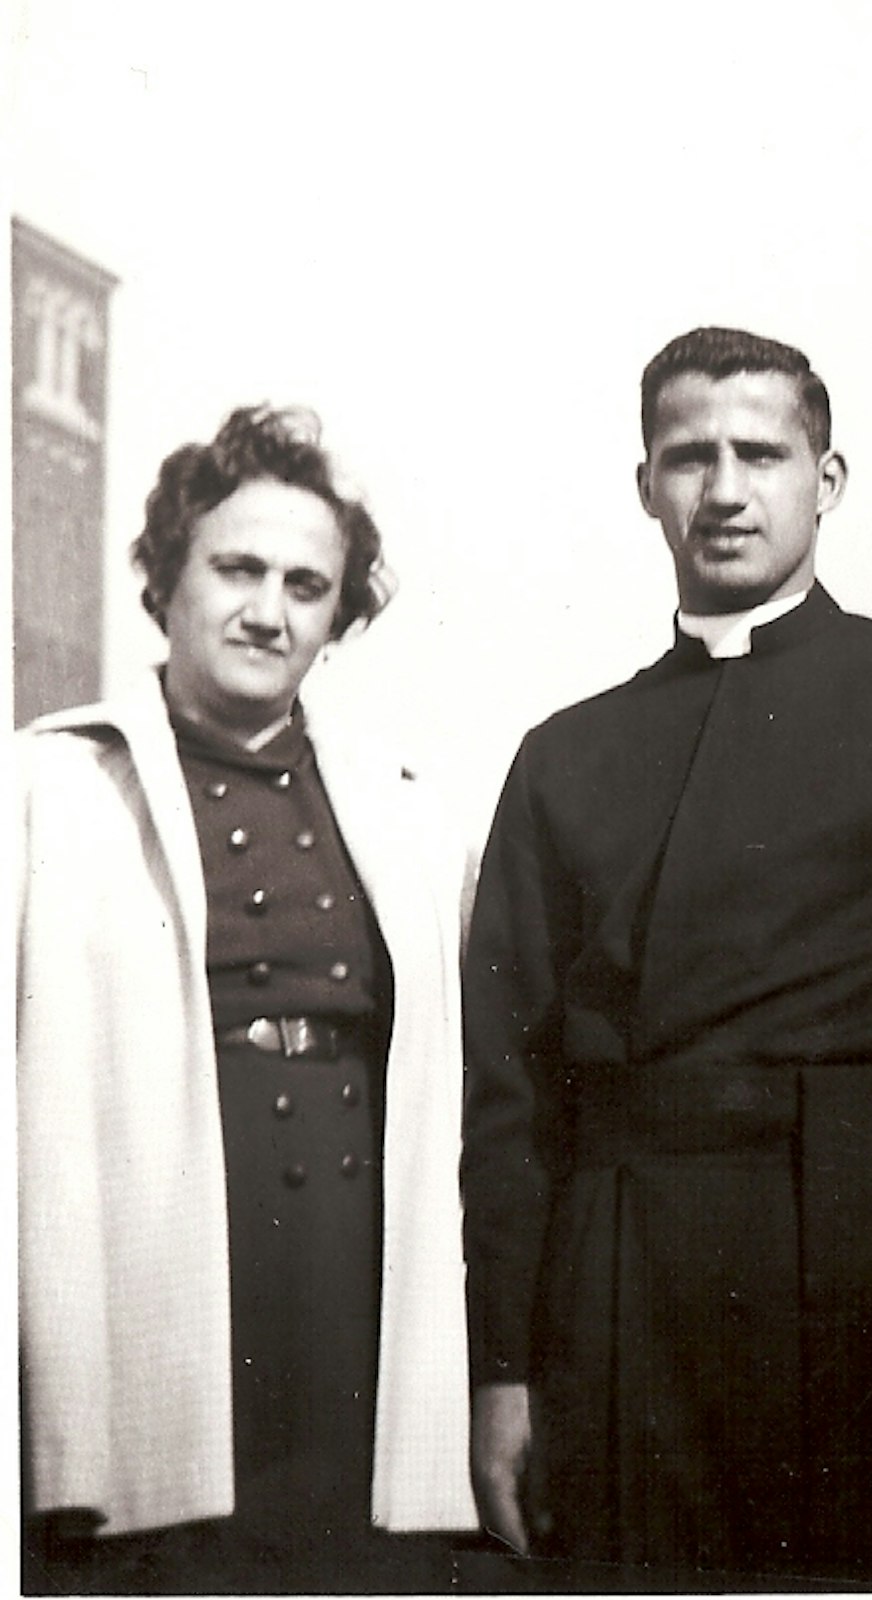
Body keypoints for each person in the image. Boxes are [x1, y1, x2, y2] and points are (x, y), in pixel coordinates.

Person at [460, 326, 872, 1584]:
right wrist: (502, 1370)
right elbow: (509, 1093)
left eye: (759, 453)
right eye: (687, 457)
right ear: (645, 487)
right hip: (622, 1298)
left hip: (865, 1284)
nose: (722, 490)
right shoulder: (564, 756)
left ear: (824, 480)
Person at [17, 406, 477, 1593]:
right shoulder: (45, 786)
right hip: (154, 1279)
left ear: (338, 616)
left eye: (306, 584)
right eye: (236, 567)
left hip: (348, 1289)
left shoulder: (411, 815)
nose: (267, 609)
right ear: (165, 576)